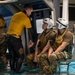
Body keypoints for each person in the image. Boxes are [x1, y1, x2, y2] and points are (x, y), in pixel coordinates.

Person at [7, 4, 34, 73]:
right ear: (28, 10)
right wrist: (32, 41)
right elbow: (31, 31)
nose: (30, 13)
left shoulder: (15, 15)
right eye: (31, 12)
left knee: (12, 56)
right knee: (21, 56)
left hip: (9, 38)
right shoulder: (25, 18)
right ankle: (16, 72)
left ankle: (12, 71)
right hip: (15, 40)